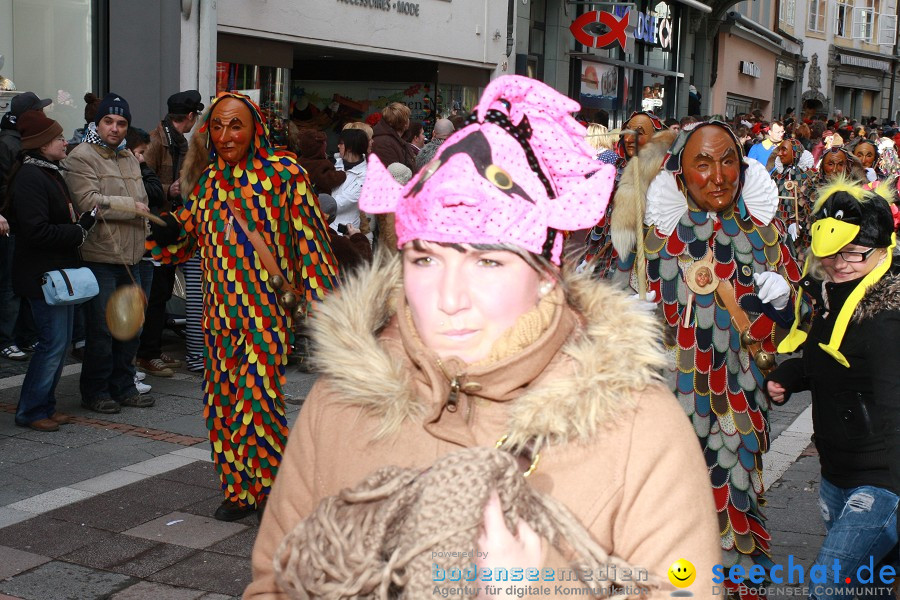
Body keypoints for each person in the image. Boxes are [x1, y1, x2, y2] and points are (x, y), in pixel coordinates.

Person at [245, 75, 720, 600]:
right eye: (426, 259)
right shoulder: (339, 404)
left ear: (545, 275)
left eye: (488, 262)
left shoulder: (638, 428)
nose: (449, 297)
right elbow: (274, 582)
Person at [610, 121, 802, 598]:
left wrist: (780, 309)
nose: (718, 176)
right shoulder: (653, 235)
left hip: (739, 401)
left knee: (736, 500)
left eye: (728, 160)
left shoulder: (765, 228)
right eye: (703, 163)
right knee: (667, 508)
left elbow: (792, 325)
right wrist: (627, 322)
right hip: (669, 404)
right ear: (681, 172)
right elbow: (610, 316)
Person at [146, 92, 338, 522]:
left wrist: (324, 305)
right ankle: (238, 488)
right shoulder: (210, 181)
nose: (226, 135)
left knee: (258, 400)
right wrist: (164, 230)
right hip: (217, 315)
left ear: (254, 128)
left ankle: (271, 487)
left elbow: (311, 244)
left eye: (235, 125)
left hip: (265, 314)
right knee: (221, 403)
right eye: (217, 127)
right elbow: (190, 236)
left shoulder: (285, 174)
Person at [769, 177, 900, 600]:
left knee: (827, 585)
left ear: (884, 250)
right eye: (832, 254)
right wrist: (790, 376)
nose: (840, 263)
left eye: (854, 253)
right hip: (836, 472)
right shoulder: (833, 295)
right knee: (868, 583)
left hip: (882, 480)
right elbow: (825, 358)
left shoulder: (888, 317)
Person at [5, 112, 97, 431]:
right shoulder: (32, 177)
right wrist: (78, 230)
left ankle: (45, 404)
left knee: (60, 343)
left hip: (59, 274)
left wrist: (79, 225)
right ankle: (30, 410)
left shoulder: (51, 172)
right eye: (58, 138)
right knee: (52, 344)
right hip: (44, 276)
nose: (65, 141)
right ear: (43, 145)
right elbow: (36, 231)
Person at [63, 92, 153, 414]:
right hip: (101, 256)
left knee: (131, 328)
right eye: (108, 121)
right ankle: (96, 391)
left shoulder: (129, 156)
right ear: (97, 122)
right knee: (102, 330)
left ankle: (124, 386)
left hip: (135, 257)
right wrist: (134, 209)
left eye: (121, 123)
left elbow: (141, 196)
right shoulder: (80, 156)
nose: (115, 128)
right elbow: (88, 201)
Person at [137, 90, 204, 377]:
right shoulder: (154, 142)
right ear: (189, 117)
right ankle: (146, 354)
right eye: (196, 116)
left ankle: (152, 349)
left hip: (175, 225)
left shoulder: (181, 144)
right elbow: (141, 185)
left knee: (162, 292)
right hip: (156, 227)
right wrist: (169, 190)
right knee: (157, 292)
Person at [584, 110, 664, 279]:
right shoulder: (614, 171)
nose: (628, 139)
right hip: (608, 263)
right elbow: (602, 223)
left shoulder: (665, 178)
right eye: (627, 132)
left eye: (639, 133)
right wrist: (590, 257)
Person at [0, 92, 50, 362]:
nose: (43, 114)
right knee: (10, 284)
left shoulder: (23, 142)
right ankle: (8, 339)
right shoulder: (9, 143)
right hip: (11, 224)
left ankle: (26, 335)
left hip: (22, 222)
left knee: (22, 281)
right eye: (38, 110)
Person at [773, 138, 816, 258]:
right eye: (779, 149)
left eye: (784, 150)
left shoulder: (809, 177)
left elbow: (811, 205)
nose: (779, 153)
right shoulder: (776, 175)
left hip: (801, 235)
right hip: (778, 231)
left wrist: (798, 222)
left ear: (795, 152)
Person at [370, 102, 415, 172]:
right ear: (404, 122)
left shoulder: (395, 140)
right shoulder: (384, 143)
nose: (409, 120)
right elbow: (394, 175)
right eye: (408, 117)